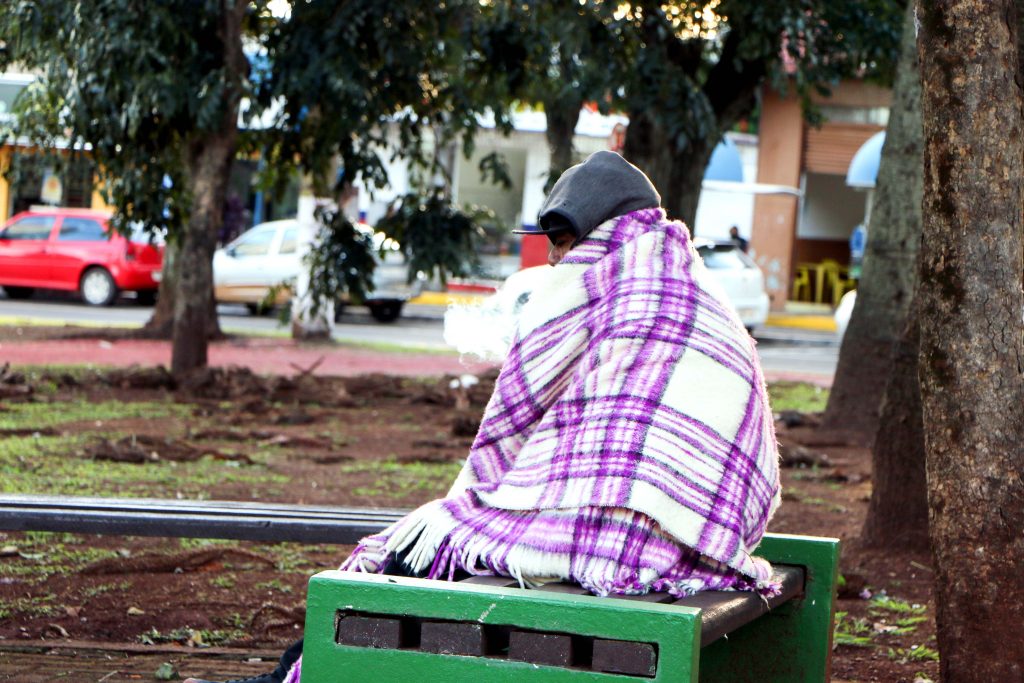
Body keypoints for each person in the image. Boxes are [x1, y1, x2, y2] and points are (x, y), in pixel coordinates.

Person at [186, 151, 781, 683]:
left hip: (620, 547)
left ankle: (288, 677)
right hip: (698, 544)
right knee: (434, 542)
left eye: (562, 242)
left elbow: (518, 415)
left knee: (412, 555)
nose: (556, 259)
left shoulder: (612, 282)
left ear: (593, 236)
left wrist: (484, 495)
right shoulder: (691, 289)